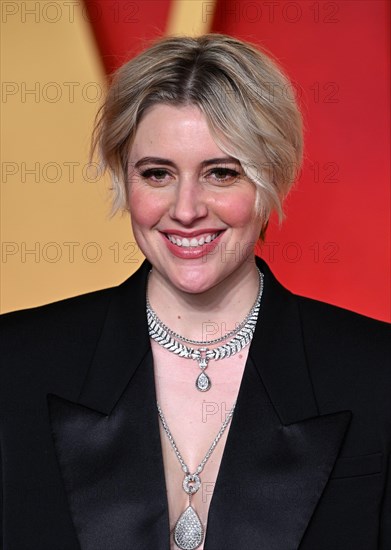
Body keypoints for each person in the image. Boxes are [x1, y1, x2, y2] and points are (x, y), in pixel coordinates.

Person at [0, 34, 389, 550]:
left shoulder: (377, 372)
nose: (186, 209)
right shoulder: (14, 362)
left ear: (270, 179)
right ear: (124, 179)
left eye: (221, 173)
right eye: (157, 173)